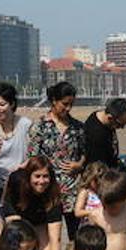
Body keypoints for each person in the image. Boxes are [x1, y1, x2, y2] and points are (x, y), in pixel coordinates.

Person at [27, 81, 86, 240]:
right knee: (50, 237)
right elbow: (32, 158)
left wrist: (79, 165)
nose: (68, 108)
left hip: (72, 190)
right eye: (64, 104)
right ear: (54, 100)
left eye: (71, 105)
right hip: (48, 190)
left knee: (76, 236)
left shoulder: (78, 127)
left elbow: (85, 154)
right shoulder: (39, 126)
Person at [0, 82, 33, 221]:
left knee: (21, 225)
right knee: (1, 224)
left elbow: (33, 153)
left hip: (20, 182)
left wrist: (25, 165)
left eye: (2, 104)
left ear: (12, 104)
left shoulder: (25, 124)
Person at [0, 156, 64, 250]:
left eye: (45, 176)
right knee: (18, 243)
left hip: (39, 217)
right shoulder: (17, 181)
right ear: (29, 176)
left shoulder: (53, 195)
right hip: (16, 210)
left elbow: (55, 239)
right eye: (37, 176)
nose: (41, 181)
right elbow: (6, 203)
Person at [82, 98, 126, 168]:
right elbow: (97, 166)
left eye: (124, 124)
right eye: (120, 125)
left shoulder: (108, 123)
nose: (122, 128)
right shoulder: (96, 135)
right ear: (110, 118)